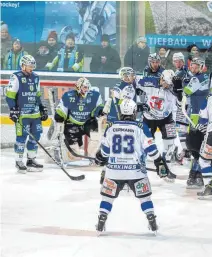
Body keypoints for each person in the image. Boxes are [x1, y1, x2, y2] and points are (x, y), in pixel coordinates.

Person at [94, 99, 170, 234]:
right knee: (145, 198)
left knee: (107, 198)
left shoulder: (111, 126)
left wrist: (100, 156)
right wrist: (159, 161)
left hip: (113, 171)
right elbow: (151, 149)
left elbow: (105, 152)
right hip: (136, 172)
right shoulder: (141, 127)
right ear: (135, 112)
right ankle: (151, 220)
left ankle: (101, 220)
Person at [5, 55, 48, 173]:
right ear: (23, 65)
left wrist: (42, 107)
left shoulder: (36, 77)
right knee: (22, 137)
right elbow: (9, 96)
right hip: (22, 114)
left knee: (36, 135)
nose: (32, 68)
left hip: (34, 114)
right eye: (29, 65)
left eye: (33, 65)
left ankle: (31, 159)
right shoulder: (16, 77)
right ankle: (19, 161)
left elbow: (37, 95)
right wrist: (13, 109)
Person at [136, 70, 178, 180]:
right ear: (161, 78)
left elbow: (180, 102)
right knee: (145, 144)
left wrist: (179, 91)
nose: (168, 86)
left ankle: (165, 169)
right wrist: (138, 104)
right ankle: (141, 167)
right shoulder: (149, 81)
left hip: (167, 118)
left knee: (170, 146)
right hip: (149, 118)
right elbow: (134, 83)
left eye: (170, 84)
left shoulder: (173, 87)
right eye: (166, 83)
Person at [53, 77, 104, 163]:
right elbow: (62, 109)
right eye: (84, 87)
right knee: (75, 155)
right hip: (72, 124)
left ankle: (93, 157)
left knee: (96, 137)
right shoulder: (68, 96)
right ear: (78, 87)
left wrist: (100, 111)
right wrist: (59, 115)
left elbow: (100, 106)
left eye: (87, 87)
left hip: (88, 122)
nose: (86, 89)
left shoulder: (95, 95)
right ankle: (68, 154)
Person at [182, 57, 211, 188]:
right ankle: (195, 173)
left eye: (196, 66)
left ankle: (196, 173)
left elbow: (186, 91)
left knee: (196, 146)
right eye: (192, 65)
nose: (193, 68)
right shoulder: (205, 77)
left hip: (196, 116)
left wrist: (182, 83)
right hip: (203, 115)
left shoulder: (196, 78)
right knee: (198, 146)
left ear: (201, 67)